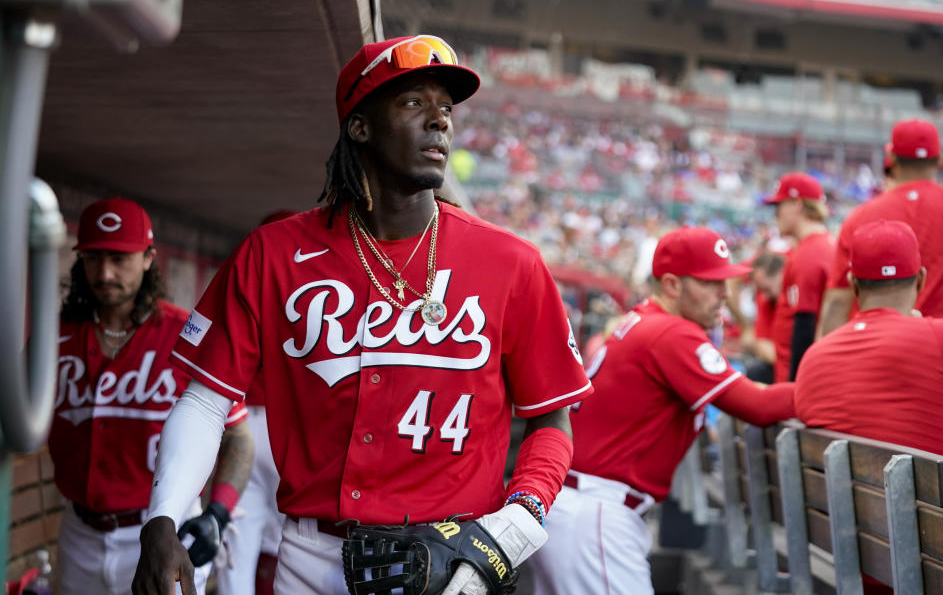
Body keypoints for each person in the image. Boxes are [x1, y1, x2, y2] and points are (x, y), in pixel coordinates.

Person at [132, 35, 594, 595]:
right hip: (311, 555)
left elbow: (552, 421)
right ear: (361, 127)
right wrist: (162, 518)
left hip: (454, 563)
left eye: (445, 108)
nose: (439, 122)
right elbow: (206, 401)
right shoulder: (273, 253)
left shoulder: (511, 262)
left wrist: (517, 523)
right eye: (413, 103)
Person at [528, 227, 796, 595]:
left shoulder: (642, 320)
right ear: (671, 284)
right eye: (710, 282)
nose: (724, 294)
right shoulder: (671, 333)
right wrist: (831, 389)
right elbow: (759, 406)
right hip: (596, 515)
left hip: (579, 507)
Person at [50, 198, 253, 595]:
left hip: (163, 530)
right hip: (79, 533)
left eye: (119, 258)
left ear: (148, 258)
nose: (104, 273)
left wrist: (218, 513)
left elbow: (239, 438)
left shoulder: (186, 335)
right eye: (93, 258)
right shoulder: (53, 337)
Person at [796, 219, 943, 468]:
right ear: (921, 280)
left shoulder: (813, 357)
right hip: (941, 507)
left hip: (843, 506)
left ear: (853, 284)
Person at [213, 209, 297, 595]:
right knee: (299, 547)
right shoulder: (321, 290)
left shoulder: (247, 281)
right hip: (291, 430)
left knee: (237, 555)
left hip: (243, 421)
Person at [818, 119, 943, 338]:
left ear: (892, 159)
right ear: (940, 160)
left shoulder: (861, 217)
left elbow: (838, 302)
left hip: (877, 355)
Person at [764, 173, 834, 381]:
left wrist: (796, 388)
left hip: (799, 377)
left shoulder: (810, 252)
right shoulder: (821, 244)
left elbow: (805, 326)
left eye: (779, 206)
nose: (776, 214)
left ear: (797, 204)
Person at [743, 250, 785, 383]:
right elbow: (761, 345)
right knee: (756, 370)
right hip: (784, 364)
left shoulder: (798, 296)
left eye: (767, 288)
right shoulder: (765, 300)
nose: (764, 295)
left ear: (781, 275)